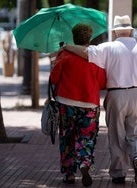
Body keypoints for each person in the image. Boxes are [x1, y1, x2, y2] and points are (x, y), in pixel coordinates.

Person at [63, 15, 137, 185]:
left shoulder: (107, 48)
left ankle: (118, 173)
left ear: (114, 33)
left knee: (116, 136)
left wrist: (66, 46)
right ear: (130, 31)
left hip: (116, 96)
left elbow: (85, 52)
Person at [50, 23, 106, 186]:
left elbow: (54, 79)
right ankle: (84, 163)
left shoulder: (64, 55)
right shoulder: (96, 57)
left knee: (67, 138)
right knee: (87, 137)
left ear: (73, 38)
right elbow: (102, 82)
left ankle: (69, 174)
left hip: (66, 104)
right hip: (89, 104)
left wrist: (54, 60)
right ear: (89, 39)